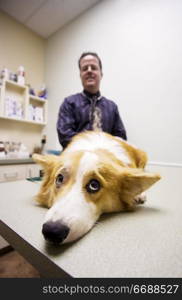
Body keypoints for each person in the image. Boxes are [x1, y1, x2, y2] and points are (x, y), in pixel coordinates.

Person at [57, 52, 127, 149]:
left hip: (106, 161)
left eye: (93, 67)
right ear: (80, 75)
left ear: (101, 74)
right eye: (85, 68)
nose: (89, 71)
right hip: (76, 161)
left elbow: (121, 139)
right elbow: (65, 136)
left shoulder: (112, 107)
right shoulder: (69, 103)